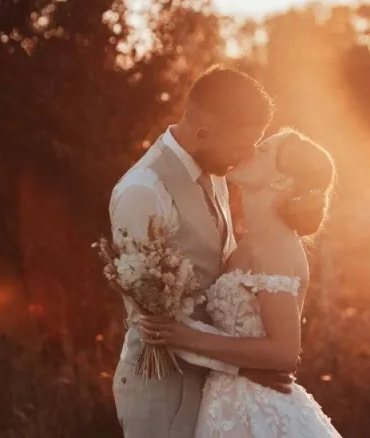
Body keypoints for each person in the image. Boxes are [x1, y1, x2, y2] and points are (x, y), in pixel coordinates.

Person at [109, 65, 294, 438]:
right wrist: (240, 367)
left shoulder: (215, 172)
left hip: (213, 382)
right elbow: (152, 324)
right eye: (240, 147)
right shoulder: (143, 191)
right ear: (204, 132)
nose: (243, 158)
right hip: (161, 388)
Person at [140, 127, 342, 437]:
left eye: (263, 151)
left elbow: (284, 353)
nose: (250, 150)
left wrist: (187, 336)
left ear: (283, 181)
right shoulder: (248, 244)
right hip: (226, 402)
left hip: (255, 411)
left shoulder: (276, 248)